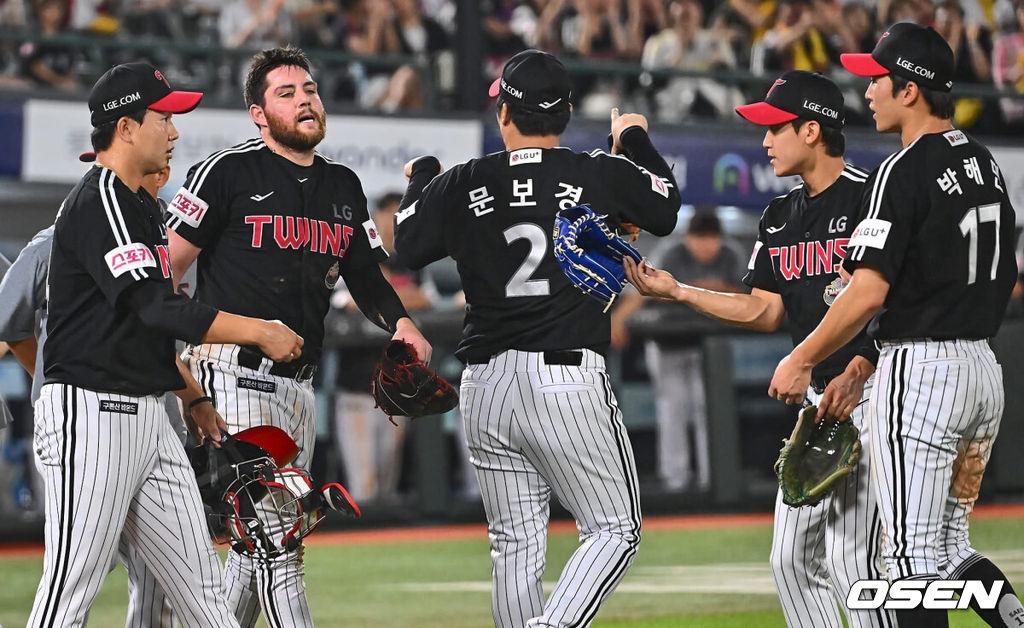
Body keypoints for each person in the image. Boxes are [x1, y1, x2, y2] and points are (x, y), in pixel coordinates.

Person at [393, 49, 681, 628]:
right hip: (564, 380)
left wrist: (422, 176)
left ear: (503, 112)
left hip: (485, 384)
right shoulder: (596, 171)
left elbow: (408, 243)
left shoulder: (465, 179)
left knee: (516, 544)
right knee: (614, 529)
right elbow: (665, 206)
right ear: (568, 113)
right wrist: (634, 138)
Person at [28, 61, 304, 628]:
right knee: (70, 587)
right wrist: (256, 329)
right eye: (164, 117)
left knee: (202, 590)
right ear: (126, 127)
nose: (174, 131)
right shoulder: (100, 198)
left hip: (148, 415)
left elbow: (143, 323)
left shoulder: (141, 206)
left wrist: (193, 397)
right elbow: (156, 307)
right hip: (90, 411)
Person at [769, 22, 1024, 627]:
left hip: (925, 377)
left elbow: (868, 289)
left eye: (877, 80)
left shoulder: (901, 170)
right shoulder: (984, 161)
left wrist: (802, 356)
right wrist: (863, 359)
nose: (868, 91)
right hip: (983, 374)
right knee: (951, 550)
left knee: (906, 565)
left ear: (910, 90)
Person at [165, 46, 430, 628]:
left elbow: (365, 276)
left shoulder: (343, 183)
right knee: (278, 542)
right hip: (230, 374)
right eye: (286, 94)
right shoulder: (226, 172)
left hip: (298, 388)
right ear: (258, 114)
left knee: (254, 548)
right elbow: (165, 274)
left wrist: (403, 321)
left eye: (308, 89)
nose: (304, 100)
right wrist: (183, 374)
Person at [625, 70, 894, 628]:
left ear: (813, 130)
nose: (764, 141)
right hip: (817, 400)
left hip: (875, 390)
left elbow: (898, 299)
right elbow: (764, 309)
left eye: (775, 127)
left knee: (853, 560)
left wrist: (863, 366)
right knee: (790, 561)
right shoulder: (779, 215)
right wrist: (677, 289)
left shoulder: (873, 197)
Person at [0, 164, 189, 627]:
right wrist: (51, 381)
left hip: (154, 419)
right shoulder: (56, 240)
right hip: (87, 423)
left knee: (163, 573)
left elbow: (158, 335)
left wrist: (195, 400)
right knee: (79, 571)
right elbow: (9, 320)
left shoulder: (162, 243)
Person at [612, 210, 743, 493]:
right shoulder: (672, 252)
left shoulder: (730, 254)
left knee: (710, 411)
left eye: (711, 239)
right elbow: (642, 290)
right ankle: (675, 481)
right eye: (700, 239)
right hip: (667, 344)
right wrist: (618, 319)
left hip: (710, 347)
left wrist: (713, 289)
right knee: (672, 411)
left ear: (719, 239)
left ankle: (715, 481)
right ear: (690, 238)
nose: (705, 245)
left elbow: (749, 296)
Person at [330, 191, 432, 504]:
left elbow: (426, 299)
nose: (394, 221)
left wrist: (390, 293)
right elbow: (346, 302)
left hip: (396, 392)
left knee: (388, 488)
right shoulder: (351, 254)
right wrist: (389, 292)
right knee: (365, 488)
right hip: (356, 391)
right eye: (389, 213)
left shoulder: (411, 261)